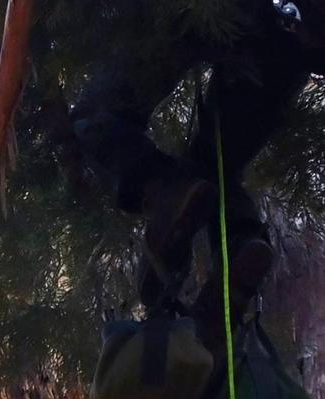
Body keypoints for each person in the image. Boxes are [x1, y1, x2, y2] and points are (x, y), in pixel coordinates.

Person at [70, 0, 325, 349]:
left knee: (96, 117)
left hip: (215, 13)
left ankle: (160, 190)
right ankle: (241, 241)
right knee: (214, 167)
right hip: (295, 40)